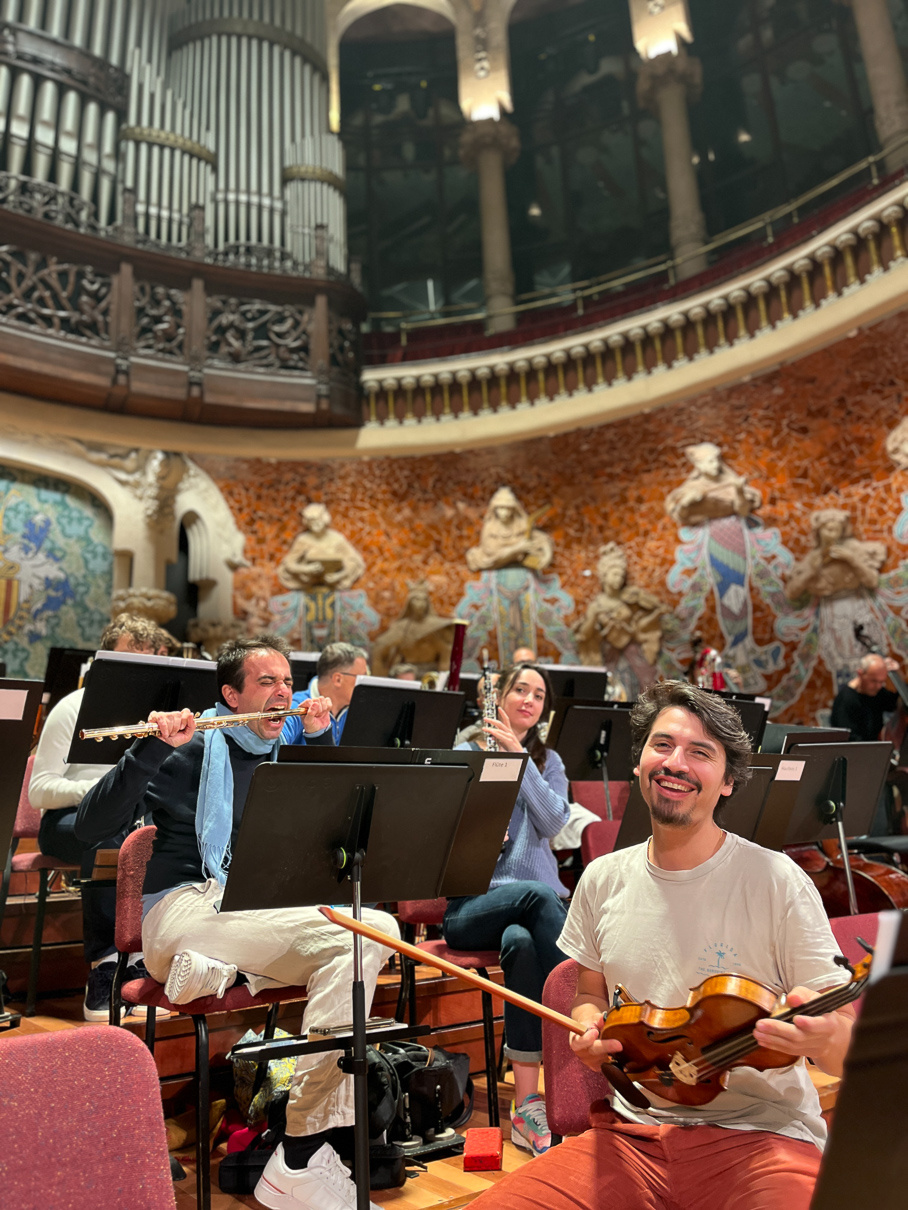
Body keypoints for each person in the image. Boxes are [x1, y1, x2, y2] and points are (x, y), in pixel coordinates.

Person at [467, 680, 855, 1210]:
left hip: (765, 1137)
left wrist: (821, 1034)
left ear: (728, 782)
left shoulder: (776, 880)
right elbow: (590, 993)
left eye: (701, 753)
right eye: (663, 745)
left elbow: (848, 1046)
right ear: (640, 762)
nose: (676, 763)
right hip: (634, 1135)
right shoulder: (602, 878)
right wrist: (587, 1024)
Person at [75, 634, 399, 1210]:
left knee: (374, 932)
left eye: (288, 683)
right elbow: (89, 824)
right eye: (267, 683)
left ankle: (300, 1148)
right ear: (231, 694)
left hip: (250, 908)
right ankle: (300, 1159)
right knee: (360, 935)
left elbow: (335, 827)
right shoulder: (192, 745)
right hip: (182, 910)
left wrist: (323, 739)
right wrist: (150, 746)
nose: (284, 693)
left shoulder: (283, 751)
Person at [445, 662, 571, 1157]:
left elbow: (553, 821)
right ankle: (583, 1008)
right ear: (497, 697)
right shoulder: (463, 753)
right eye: (520, 688)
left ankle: (526, 1106)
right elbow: (437, 830)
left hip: (527, 917)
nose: (528, 699)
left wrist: (520, 761)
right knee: (539, 896)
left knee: (521, 942)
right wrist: (473, 833)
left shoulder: (549, 760)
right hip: (471, 906)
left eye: (538, 695)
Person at [30, 613, 171, 1020]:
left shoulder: (154, 720)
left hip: (129, 820)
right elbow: (39, 789)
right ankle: (106, 965)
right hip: (67, 823)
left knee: (161, 832)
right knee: (108, 830)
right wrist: (96, 795)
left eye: (146, 666)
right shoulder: (71, 707)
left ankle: (152, 959)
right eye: (128, 663)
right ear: (104, 659)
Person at [291, 642, 369, 743]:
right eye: (361, 677)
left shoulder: (360, 710)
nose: (365, 683)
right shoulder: (297, 706)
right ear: (338, 679)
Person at [831, 652, 901, 742]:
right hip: (858, 752)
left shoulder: (877, 692)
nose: (878, 686)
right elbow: (847, 738)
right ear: (860, 673)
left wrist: (898, 674)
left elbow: (896, 703)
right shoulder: (845, 700)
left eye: (881, 682)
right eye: (874, 681)